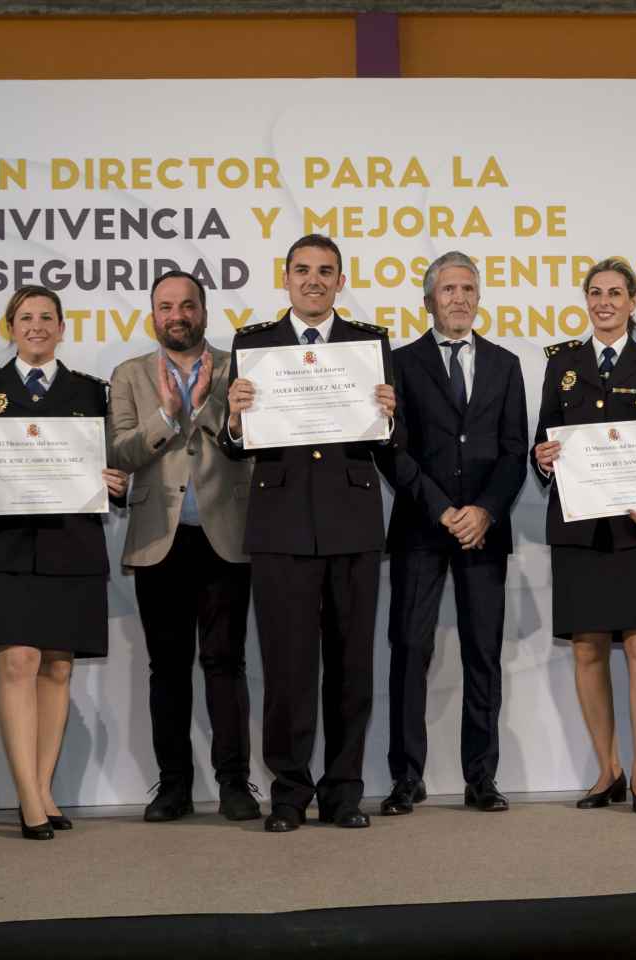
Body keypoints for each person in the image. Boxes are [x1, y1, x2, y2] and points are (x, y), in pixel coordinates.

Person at [219, 233, 402, 832]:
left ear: (340, 281)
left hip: (352, 526)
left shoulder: (369, 345)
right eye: (303, 271)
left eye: (326, 271)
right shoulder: (253, 346)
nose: (314, 280)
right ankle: (290, 792)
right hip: (280, 527)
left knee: (352, 667)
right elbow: (233, 446)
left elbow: (391, 445)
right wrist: (235, 417)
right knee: (288, 669)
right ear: (287, 278)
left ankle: (345, 790)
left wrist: (390, 414)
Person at [0, 285, 129, 839]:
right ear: (10, 326)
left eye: (48, 317)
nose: (37, 326)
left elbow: (109, 473)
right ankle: (27, 798)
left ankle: (44, 788)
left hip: (72, 546)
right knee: (17, 660)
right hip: (3, 549)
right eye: (26, 317)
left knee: (58, 667)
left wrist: (115, 484)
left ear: (62, 327)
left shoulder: (92, 392)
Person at [108, 270, 260, 823]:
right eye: (167, 306)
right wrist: (172, 412)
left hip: (226, 537)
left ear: (204, 311)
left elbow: (252, 442)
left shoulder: (237, 367)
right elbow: (122, 452)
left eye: (188, 305)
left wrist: (210, 405)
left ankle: (235, 785)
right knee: (166, 667)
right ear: (153, 314)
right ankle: (172, 786)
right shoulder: (128, 375)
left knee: (226, 663)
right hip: (158, 541)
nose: (178, 314)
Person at [380, 251, 528, 816]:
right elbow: (391, 450)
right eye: (449, 290)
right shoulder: (400, 363)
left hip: (484, 532)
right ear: (429, 300)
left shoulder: (505, 363)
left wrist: (485, 511)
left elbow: (515, 449)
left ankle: (481, 778)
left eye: (469, 288)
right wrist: (444, 510)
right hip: (422, 528)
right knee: (409, 651)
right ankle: (406, 778)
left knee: (482, 655)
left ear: (479, 297)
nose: (460, 298)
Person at [531, 258, 636, 815]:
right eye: (595, 293)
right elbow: (541, 442)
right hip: (581, 526)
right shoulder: (561, 363)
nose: (604, 302)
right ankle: (607, 770)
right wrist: (542, 460)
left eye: (616, 293)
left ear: (633, 302)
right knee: (589, 649)